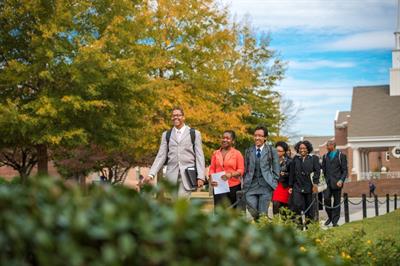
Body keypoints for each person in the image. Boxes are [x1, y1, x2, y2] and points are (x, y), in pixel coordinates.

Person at [144, 107, 206, 197]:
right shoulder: (166, 135)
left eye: (178, 115)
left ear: (183, 117)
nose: (176, 117)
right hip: (171, 176)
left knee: (181, 205)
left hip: (187, 176)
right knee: (174, 206)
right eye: (173, 116)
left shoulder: (195, 134)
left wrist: (201, 176)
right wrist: (151, 174)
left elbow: (199, 156)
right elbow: (161, 156)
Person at [243, 126, 280, 220]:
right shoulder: (248, 151)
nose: (257, 138)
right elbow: (245, 169)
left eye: (260, 135)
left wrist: (273, 182)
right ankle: (259, 224)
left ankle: (261, 230)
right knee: (252, 210)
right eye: (255, 135)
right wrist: (245, 181)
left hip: (266, 186)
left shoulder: (272, 150)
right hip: (251, 186)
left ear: (265, 138)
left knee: (263, 214)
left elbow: (276, 169)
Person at [209, 130, 244, 208]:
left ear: (233, 141)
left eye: (228, 138)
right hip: (219, 186)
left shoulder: (237, 154)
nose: (225, 140)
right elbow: (212, 169)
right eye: (223, 138)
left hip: (233, 187)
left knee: (232, 213)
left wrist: (230, 174)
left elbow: (241, 170)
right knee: (219, 212)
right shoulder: (215, 153)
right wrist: (212, 179)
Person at [288, 140, 320, 224]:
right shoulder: (295, 159)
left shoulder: (314, 158)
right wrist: (290, 186)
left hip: (310, 186)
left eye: (304, 148)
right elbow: (292, 173)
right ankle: (299, 226)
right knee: (297, 206)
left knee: (309, 208)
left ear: (308, 148)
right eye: (300, 148)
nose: (302, 150)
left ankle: (310, 226)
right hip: (297, 186)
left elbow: (317, 172)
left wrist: (315, 184)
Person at [322, 140, 348, 227]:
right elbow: (323, 170)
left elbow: (344, 170)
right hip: (327, 183)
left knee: (337, 202)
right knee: (326, 199)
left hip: (337, 183)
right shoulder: (325, 156)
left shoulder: (341, 156)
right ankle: (330, 217)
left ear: (333, 145)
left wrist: (341, 180)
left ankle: (335, 222)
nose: (326, 147)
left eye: (327, 146)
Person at [272, 141, 292, 215]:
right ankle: (276, 222)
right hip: (275, 185)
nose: (277, 153)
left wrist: (285, 174)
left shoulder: (289, 162)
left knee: (284, 209)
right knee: (275, 204)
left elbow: (292, 175)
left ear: (284, 152)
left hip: (285, 186)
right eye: (276, 151)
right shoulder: (271, 160)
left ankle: (285, 224)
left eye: (280, 151)